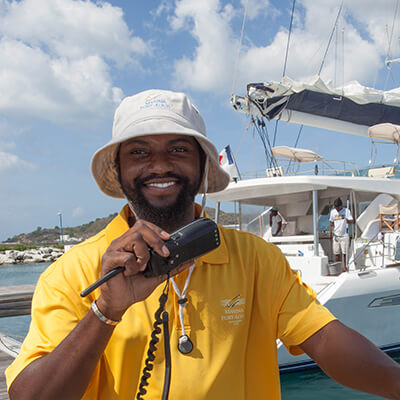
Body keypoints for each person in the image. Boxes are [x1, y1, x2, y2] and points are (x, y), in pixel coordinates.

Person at [6, 90, 400, 400]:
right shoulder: (72, 272)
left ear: (201, 166)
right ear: (121, 171)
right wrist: (105, 311)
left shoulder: (256, 258)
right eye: (139, 152)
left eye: (178, 149)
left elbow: (325, 338)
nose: (159, 164)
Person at [329, 197, 354, 266]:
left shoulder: (346, 211)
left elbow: (352, 221)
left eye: (338, 207)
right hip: (336, 235)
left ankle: (345, 266)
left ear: (341, 206)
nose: (336, 209)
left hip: (344, 235)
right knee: (336, 253)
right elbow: (331, 223)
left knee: (344, 253)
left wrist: (348, 221)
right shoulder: (333, 212)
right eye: (335, 207)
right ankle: (338, 267)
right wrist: (330, 232)